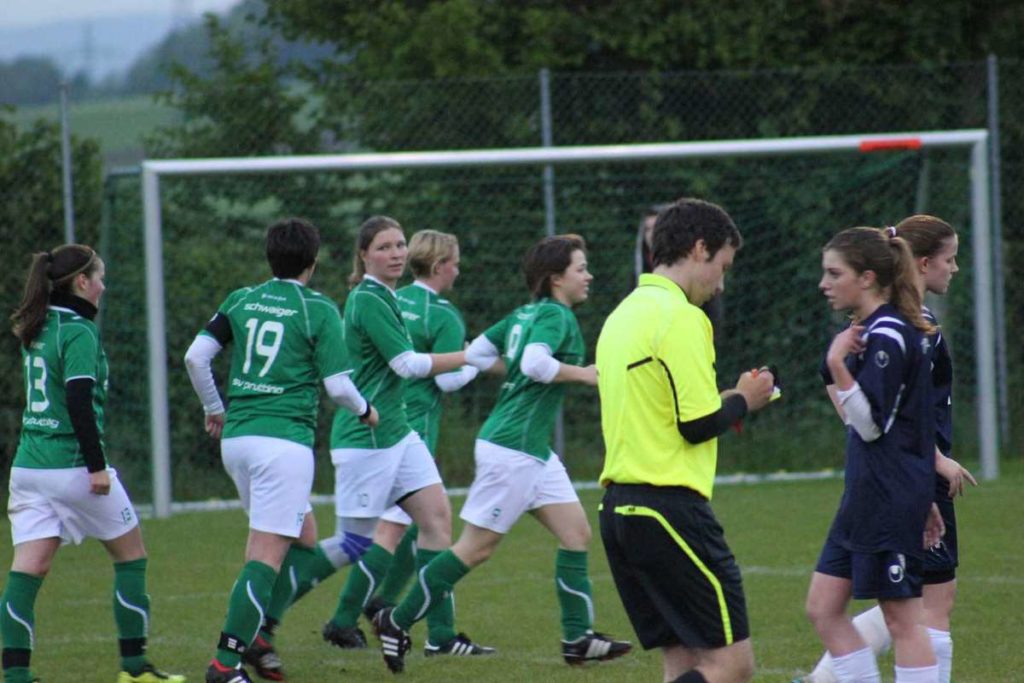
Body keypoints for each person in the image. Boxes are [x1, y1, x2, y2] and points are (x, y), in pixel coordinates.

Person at [373, 234, 633, 674]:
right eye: (580, 268)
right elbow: (534, 364)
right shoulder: (555, 315)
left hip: (530, 449)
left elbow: (475, 353)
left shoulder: (524, 313)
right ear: (556, 278)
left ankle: (578, 639)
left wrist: (512, 369)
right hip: (513, 449)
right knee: (475, 549)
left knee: (576, 533)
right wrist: (586, 375)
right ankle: (395, 621)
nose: (588, 276)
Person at [183, 218, 378, 683]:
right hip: (282, 444)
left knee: (305, 539)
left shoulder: (242, 299)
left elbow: (196, 357)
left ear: (270, 257)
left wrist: (215, 407)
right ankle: (225, 663)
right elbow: (338, 387)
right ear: (313, 262)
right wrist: (367, 410)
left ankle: (257, 633)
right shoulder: (318, 308)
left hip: (238, 440)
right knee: (264, 556)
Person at [596, 198, 777, 683]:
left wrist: (731, 397)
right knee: (731, 665)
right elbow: (695, 424)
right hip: (668, 510)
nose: (721, 284)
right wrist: (746, 399)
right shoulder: (681, 316)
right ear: (699, 249)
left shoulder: (622, 314)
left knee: (682, 662)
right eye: (723, 267)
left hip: (619, 511)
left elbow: (663, 409)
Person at [794, 215, 975, 683]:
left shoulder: (891, 334)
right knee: (824, 607)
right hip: (873, 490)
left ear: (867, 277)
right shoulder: (875, 330)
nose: (824, 284)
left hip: (888, 493)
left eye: (834, 273)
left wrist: (838, 363)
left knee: (907, 617)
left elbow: (874, 425)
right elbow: (883, 423)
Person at [3, 245, 185, 683]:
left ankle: (16, 676)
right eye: (99, 277)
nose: (103, 285)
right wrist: (97, 466)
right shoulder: (78, 330)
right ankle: (135, 670)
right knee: (131, 557)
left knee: (28, 570)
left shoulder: (38, 324)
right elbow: (78, 400)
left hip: (28, 468)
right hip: (71, 466)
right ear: (81, 282)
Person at [335, 229, 494, 656]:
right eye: (455, 263)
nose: (457, 270)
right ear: (440, 266)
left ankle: (406, 618)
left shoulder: (395, 297)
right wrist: (477, 360)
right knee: (383, 532)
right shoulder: (440, 314)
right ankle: (348, 617)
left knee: (427, 522)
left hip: (391, 425)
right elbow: (442, 378)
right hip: (401, 425)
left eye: (400, 246)